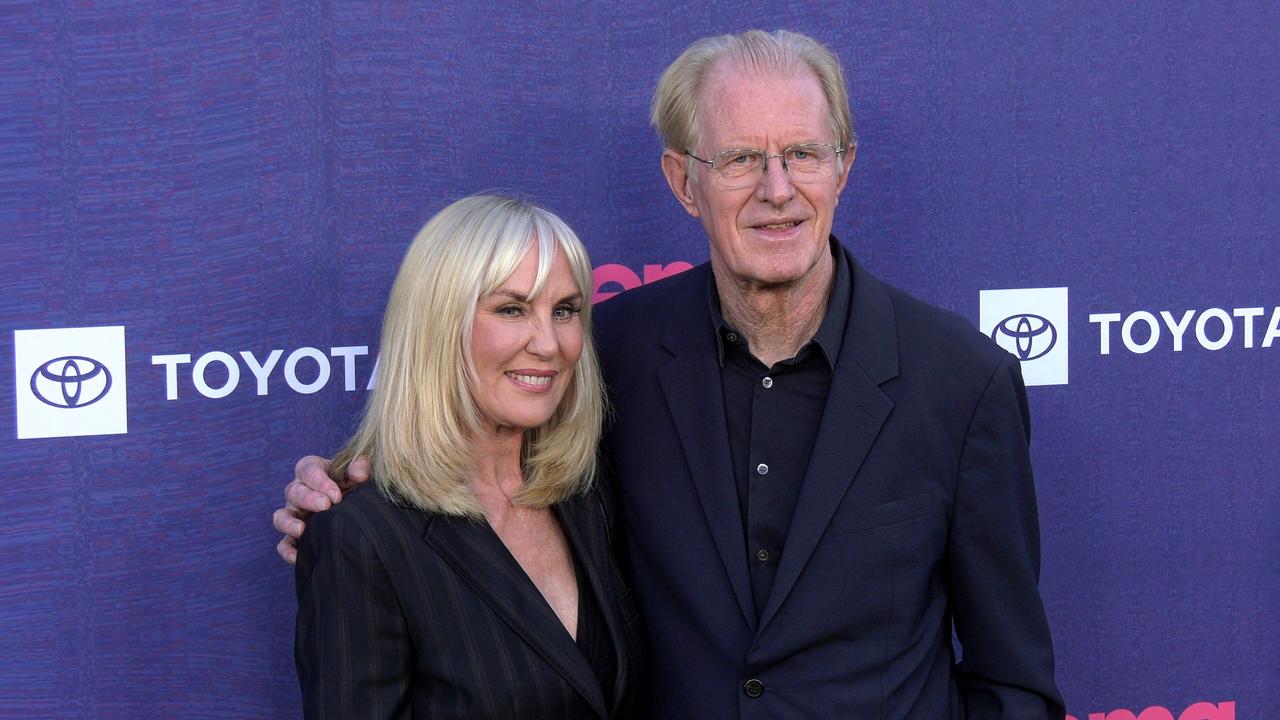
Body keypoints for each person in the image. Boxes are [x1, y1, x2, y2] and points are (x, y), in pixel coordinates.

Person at [278, 31, 1064, 719]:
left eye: (802, 154)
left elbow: (1012, 681)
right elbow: (471, 473)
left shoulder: (962, 382)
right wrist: (346, 492)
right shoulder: (604, 355)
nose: (777, 189)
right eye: (740, 160)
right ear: (683, 181)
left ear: (844, 168)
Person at [292, 195, 642, 719]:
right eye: (511, 309)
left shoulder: (590, 493)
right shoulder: (361, 538)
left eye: (565, 310)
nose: (549, 343)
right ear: (438, 326)